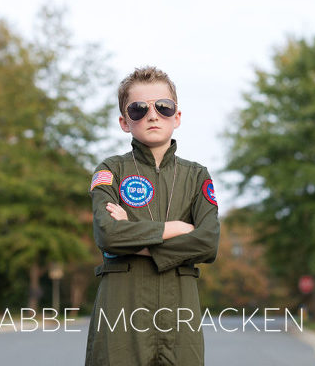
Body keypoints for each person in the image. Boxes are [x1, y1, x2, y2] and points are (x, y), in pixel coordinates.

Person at [85, 66, 220, 366]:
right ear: (124, 122)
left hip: (181, 314)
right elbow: (107, 234)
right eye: (138, 109)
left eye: (163, 106)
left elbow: (208, 242)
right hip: (121, 313)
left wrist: (136, 239)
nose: (152, 115)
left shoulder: (197, 176)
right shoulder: (110, 171)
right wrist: (176, 228)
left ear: (177, 116)